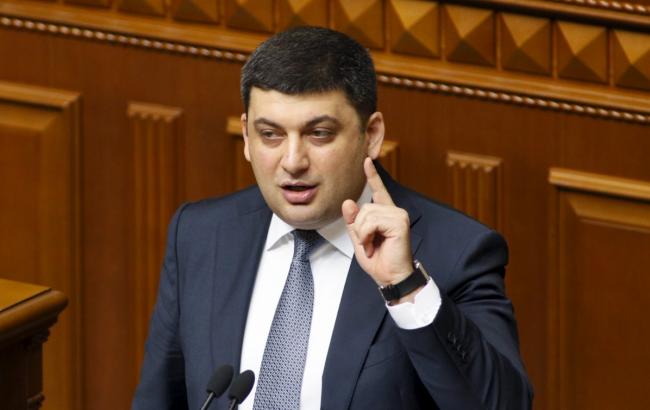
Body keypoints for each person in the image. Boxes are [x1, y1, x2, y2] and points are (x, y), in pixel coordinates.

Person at [132, 26, 533, 410]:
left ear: (371, 135)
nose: (293, 161)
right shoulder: (200, 234)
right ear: (247, 136)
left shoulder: (455, 252)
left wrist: (405, 286)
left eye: (319, 134)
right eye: (270, 134)